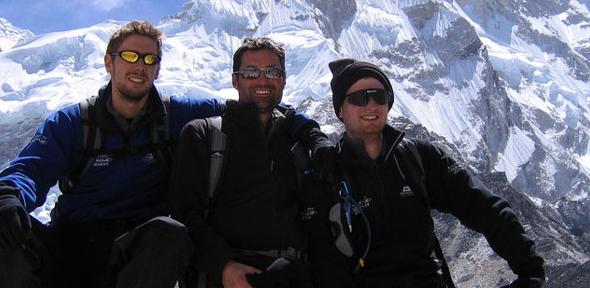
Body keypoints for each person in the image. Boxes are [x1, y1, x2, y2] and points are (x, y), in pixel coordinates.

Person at [0, 21, 323, 288]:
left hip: (137, 248)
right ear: (109, 62)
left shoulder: (175, 115)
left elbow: (256, 106)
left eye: (150, 59)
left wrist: (310, 132)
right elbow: (30, 170)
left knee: (171, 233)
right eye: (130, 55)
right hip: (68, 242)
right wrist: (9, 196)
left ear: (158, 69)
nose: (140, 66)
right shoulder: (74, 122)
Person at [308, 58, 546, 288]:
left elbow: (482, 205)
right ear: (340, 109)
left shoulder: (419, 157)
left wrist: (529, 267)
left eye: (379, 96)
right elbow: (321, 259)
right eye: (359, 98)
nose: (370, 105)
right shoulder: (328, 171)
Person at [168, 37, 329, 288]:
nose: (263, 80)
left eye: (272, 71)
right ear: (235, 80)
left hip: (293, 276)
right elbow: (184, 215)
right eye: (251, 72)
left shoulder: (296, 140)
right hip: (225, 278)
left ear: (284, 78)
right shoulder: (203, 135)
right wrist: (223, 266)